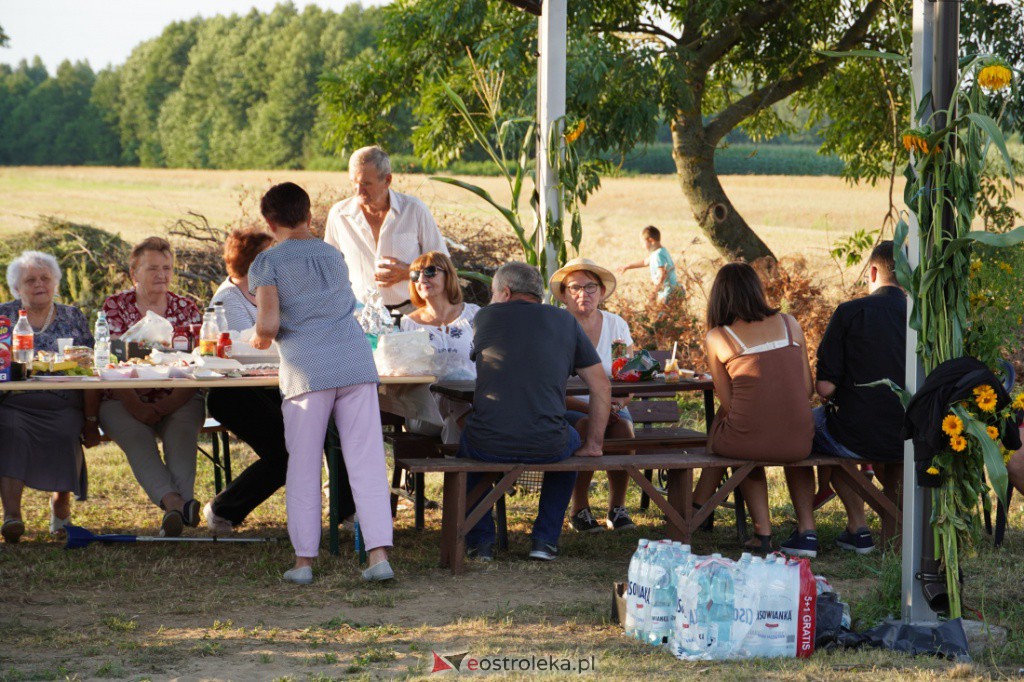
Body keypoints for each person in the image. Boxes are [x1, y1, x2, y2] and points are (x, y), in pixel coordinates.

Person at [249, 181, 394, 584]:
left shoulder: (266, 263)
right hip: (354, 361)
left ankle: (304, 563)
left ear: (269, 221)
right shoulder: (333, 255)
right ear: (308, 215)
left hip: (307, 370)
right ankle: (378, 555)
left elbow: (269, 323)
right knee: (365, 461)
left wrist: (257, 339)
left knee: (304, 463)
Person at [459, 261, 611, 562]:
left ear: (504, 292)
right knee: (569, 443)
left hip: (489, 441)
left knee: (469, 443)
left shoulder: (485, 316)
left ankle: (481, 542)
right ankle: (544, 541)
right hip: (547, 443)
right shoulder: (566, 321)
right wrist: (594, 444)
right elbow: (601, 386)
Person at [781, 241, 907, 558]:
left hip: (855, 432)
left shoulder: (850, 313)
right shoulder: (925, 319)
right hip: (909, 434)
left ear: (874, 270)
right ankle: (865, 529)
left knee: (797, 432)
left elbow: (824, 389)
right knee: (848, 444)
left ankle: (809, 532)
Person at [692, 262, 813, 553]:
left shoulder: (719, 336)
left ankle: (757, 530)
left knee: (731, 434)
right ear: (757, 291)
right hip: (800, 440)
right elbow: (807, 389)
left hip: (749, 438)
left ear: (718, 297)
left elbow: (729, 402)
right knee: (753, 433)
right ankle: (808, 531)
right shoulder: (790, 323)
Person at [96, 237, 205, 537]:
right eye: (153, 268)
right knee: (136, 439)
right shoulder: (115, 306)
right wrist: (136, 405)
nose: (162, 275)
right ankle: (178, 504)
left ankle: (176, 510)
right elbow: (112, 363)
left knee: (181, 435)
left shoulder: (187, 308)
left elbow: (197, 364)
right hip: (123, 397)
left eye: (167, 268)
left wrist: (168, 404)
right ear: (134, 273)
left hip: (179, 396)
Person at [0, 251, 94, 543]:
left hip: (63, 401)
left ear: (56, 282)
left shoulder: (72, 316)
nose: (39, 284)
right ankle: (12, 516)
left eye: (45, 278)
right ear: (17, 288)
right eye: (30, 280)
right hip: (14, 401)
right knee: (11, 429)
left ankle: (60, 504)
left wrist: (91, 417)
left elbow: (91, 363)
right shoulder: (3, 316)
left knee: (66, 429)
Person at [548, 257, 637, 533]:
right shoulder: (555, 325)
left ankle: (617, 509)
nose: (582, 294)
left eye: (590, 287)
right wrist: (595, 409)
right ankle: (580, 509)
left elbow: (628, 375)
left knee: (623, 429)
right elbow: (551, 387)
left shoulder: (616, 325)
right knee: (588, 427)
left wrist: (618, 403)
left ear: (601, 291)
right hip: (570, 407)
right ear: (563, 294)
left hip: (613, 405)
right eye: (574, 287)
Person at [324, 145, 449, 313]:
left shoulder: (414, 209)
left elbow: (444, 264)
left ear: (387, 180)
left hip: (412, 314)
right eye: (353, 182)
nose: (358, 190)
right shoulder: (339, 215)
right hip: (359, 317)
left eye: (366, 183)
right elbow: (328, 270)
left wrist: (409, 272)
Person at [399, 251, 479, 442]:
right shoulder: (408, 324)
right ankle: (483, 440)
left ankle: (462, 468)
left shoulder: (473, 315)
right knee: (446, 391)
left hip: (471, 402)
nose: (421, 279)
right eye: (415, 275)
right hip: (424, 411)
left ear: (448, 275)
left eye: (430, 271)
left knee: (454, 423)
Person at [617, 226, 681, 301]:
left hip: (668, 292)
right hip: (674, 290)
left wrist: (654, 292)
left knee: (662, 312)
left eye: (643, 243)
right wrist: (627, 266)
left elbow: (662, 274)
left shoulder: (658, 255)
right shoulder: (659, 252)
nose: (642, 246)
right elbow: (645, 262)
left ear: (651, 240)